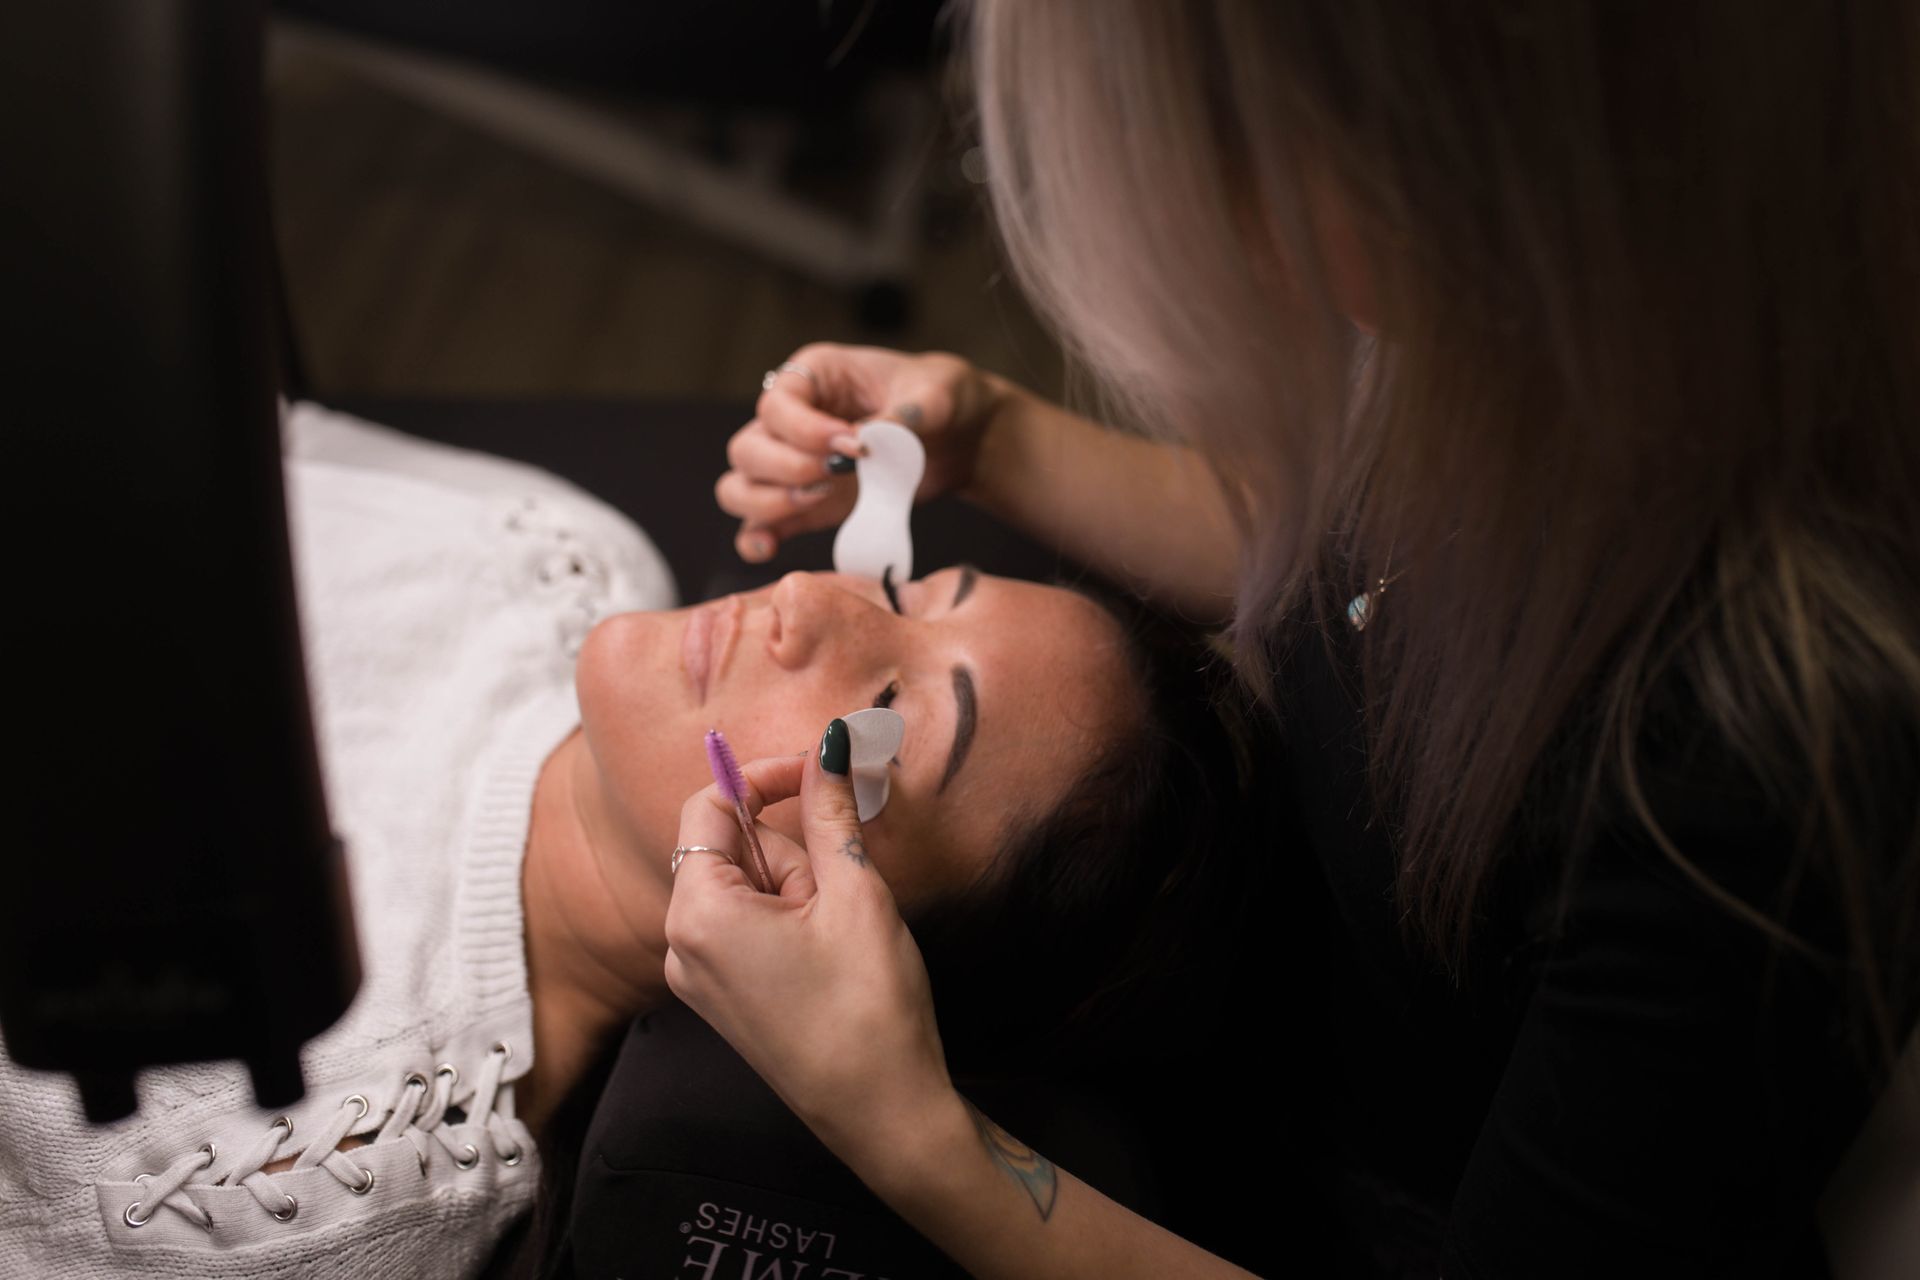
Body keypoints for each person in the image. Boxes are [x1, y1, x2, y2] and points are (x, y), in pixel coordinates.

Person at [680, 2, 1920, 1277]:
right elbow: (1338, 549)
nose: (800, 608)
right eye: (929, 584)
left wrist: (906, 1129)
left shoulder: (1750, 778)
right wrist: (992, 436)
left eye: (1215, 156)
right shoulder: (1522, 345)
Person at [0, 402, 1248, 1279]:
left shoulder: (303, 1173)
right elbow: (146, 418)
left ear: (844, 934)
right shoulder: (569, 552)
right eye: (908, 591)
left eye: (885, 724)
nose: (814, 600)